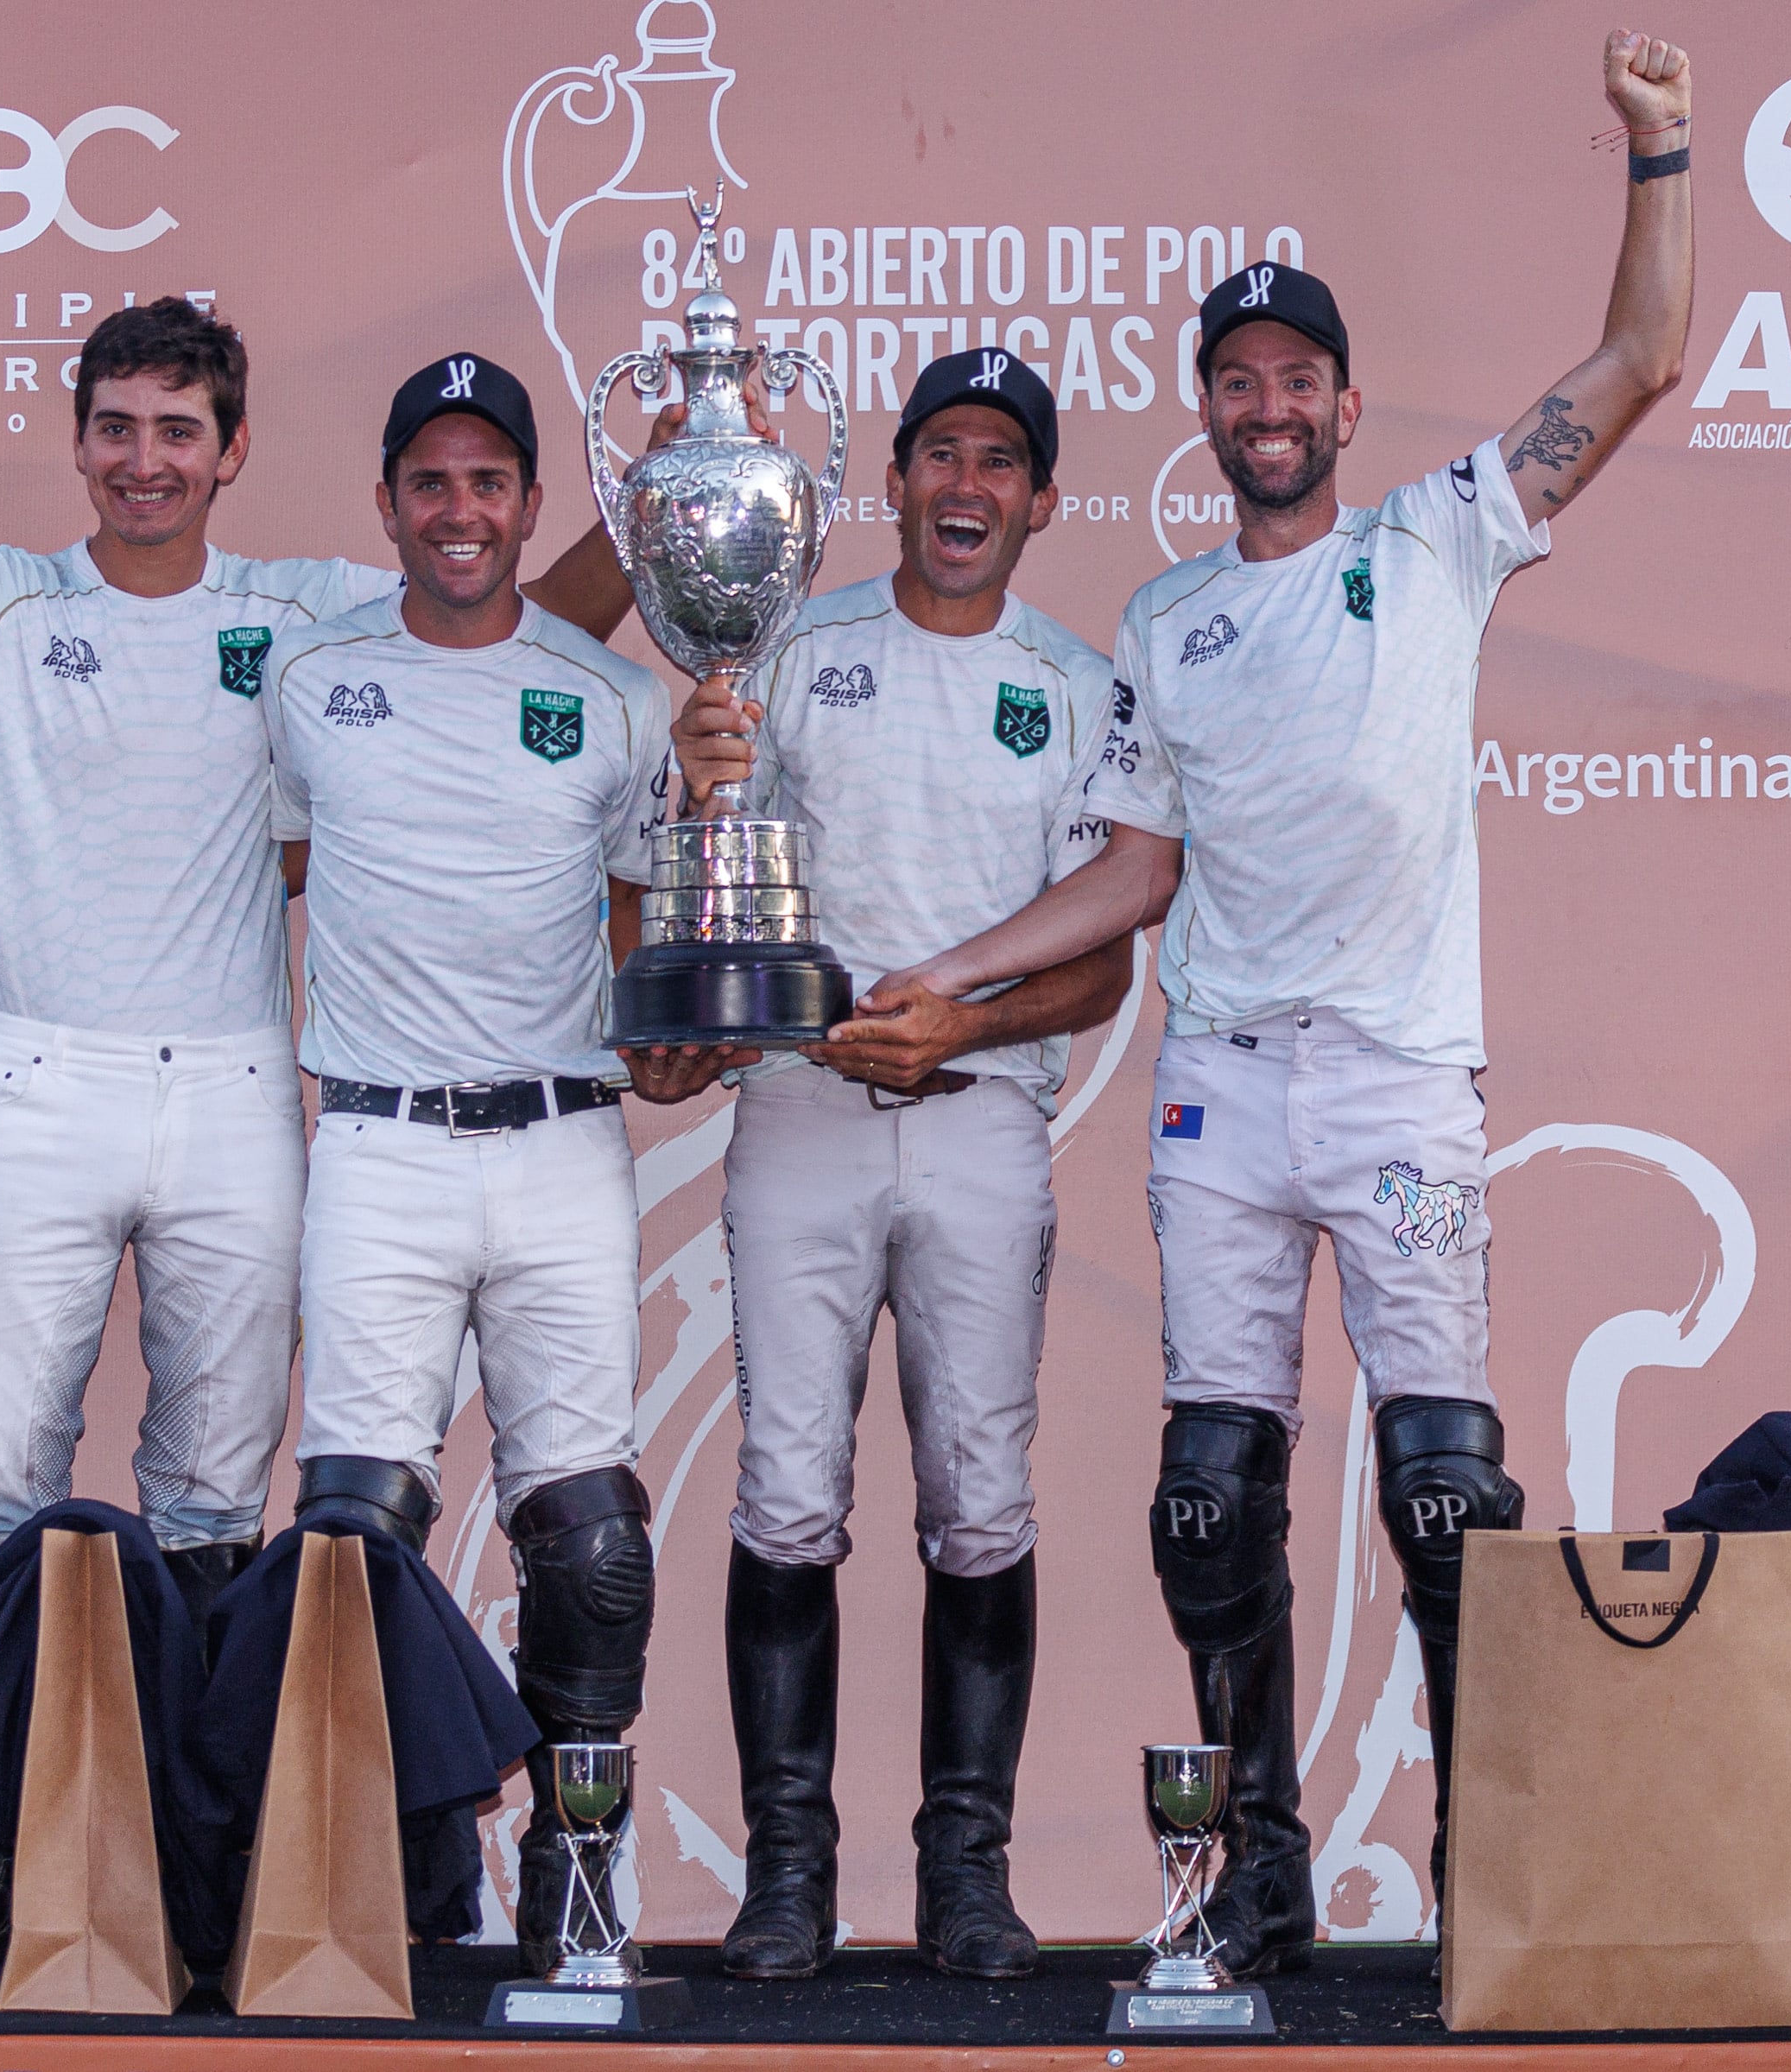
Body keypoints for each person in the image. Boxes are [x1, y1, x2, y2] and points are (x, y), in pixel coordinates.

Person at [877, 30, 1696, 1972]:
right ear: (1207, 414)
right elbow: (1136, 875)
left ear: (1342, 404)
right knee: (1203, 1506)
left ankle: (1486, 1867)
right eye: (1235, 382)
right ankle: (1254, 1867)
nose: (1266, 405)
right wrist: (957, 964)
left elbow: (1639, 363)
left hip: (1401, 1084)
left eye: (1295, 379)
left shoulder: (1438, 540)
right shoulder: (1168, 620)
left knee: (1443, 1493)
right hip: (1224, 1096)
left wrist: (1660, 154)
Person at [0, 265, 645, 1670]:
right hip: (45, 1080)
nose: (144, 461)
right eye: (116, 428)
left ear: (230, 452)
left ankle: (199, 1861)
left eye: (178, 431)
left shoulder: (312, 619)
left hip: (242, 1088)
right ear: (76, 443)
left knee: (212, 1492)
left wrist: (660, 507)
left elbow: (515, 617)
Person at [636, 349, 1127, 1980]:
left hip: (984, 1124)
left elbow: (1106, 967)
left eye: (1001, 462)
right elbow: (710, 895)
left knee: (980, 1504)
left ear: (1041, 499)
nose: (966, 488)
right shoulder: (788, 647)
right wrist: (704, 804)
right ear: (894, 480)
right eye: (939, 457)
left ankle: (967, 1880)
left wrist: (957, 1026)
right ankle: (790, 1878)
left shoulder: (1073, 684)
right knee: (789, 1492)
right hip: (798, 1120)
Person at [263, 352, 680, 1969]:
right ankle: (405, 1863)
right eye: (428, 481)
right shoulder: (312, 680)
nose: (459, 510)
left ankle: (576, 1880)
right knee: (358, 1528)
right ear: (385, 504)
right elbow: (282, 863)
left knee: (588, 1531)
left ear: (527, 507)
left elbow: (644, 929)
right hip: (376, 1141)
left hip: (565, 1141)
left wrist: (680, 1027)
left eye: (489, 482)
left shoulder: (618, 696)